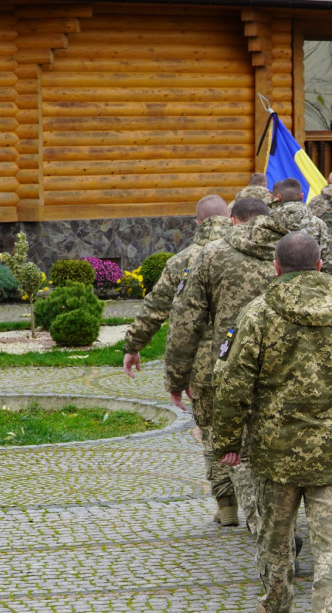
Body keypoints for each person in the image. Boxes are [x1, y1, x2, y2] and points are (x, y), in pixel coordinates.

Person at [214, 232, 332, 613]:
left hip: (276, 447)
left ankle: (276, 609)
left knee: (276, 533)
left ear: (276, 267)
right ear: (321, 265)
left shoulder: (258, 313)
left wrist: (229, 441)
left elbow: (233, 383)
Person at [165, 197, 284, 533]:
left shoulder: (212, 254)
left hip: (229, 366)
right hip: (287, 367)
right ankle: (281, 522)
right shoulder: (291, 248)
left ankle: (265, 526)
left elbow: (186, 321)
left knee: (233, 448)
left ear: (233, 220)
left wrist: (175, 378)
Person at [123, 195, 236, 523]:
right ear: (229, 219)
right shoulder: (252, 256)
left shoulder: (184, 260)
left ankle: (227, 504)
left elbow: (156, 309)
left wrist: (133, 345)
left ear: (197, 223)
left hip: (205, 368)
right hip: (252, 361)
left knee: (213, 431)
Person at [269, 178, 332, 274]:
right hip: (311, 281)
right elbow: (328, 261)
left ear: (279, 197)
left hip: (277, 282)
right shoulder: (319, 224)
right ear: (301, 196)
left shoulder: (268, 221)